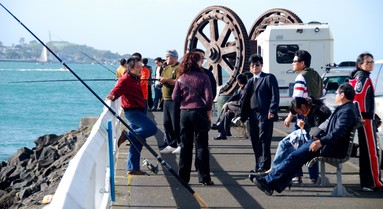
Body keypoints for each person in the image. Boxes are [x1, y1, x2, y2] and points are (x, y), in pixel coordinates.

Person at [251, 83, 359, 195]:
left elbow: (338, 132)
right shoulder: (345, 108)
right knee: (295, 156)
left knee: (294, 156)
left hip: (330, 147)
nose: (335, 95)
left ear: (342, 95)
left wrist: (320, 141)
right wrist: (316, 137)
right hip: (326, 143)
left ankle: (269, 181)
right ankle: (274, 183)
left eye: (337, 93)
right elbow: (330, 128)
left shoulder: (347, 111)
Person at [257, 97, 331, 182]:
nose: (300, 114)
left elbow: (318, 132)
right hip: (311, 140)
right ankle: (276, 171)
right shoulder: (308, 108)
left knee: (289, 149)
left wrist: (304, 126)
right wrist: (290, 117)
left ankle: (278, 173)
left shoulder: (317, 113)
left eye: (299, 112)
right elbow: (294, 110)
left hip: (317, 143)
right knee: (284, 144)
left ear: (303, 106)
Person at [106, 56, 157, 175]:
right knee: (152, 129)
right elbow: (117, 90)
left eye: (141, 67)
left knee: (138, 141)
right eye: (138, 67)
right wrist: (112, 96)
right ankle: (127, 135)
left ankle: (132, 168)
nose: (141, 69)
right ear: (131, 68)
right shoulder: (125, 79)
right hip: (133, 112)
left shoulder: (135, 78)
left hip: (139, 110)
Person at [172, 52, 214, 185]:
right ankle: (204, 178)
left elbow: (174, 97)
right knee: (201, 146)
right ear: (197, 62)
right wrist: (208, 112)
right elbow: (209, 98)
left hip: (184, 113)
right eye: (201, 59)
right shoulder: (204, 77)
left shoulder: (182, 77)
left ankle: (183, 177)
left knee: (185, 146)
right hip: (199, 112)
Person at [284, 50, 325, 183]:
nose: (292, 64)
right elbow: (323, 93)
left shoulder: (301, 77)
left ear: (302, 63)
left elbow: (297, 100)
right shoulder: (316, 75)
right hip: (316, 115)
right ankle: (314, 176)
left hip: (303, 116)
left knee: (296, 145)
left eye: (295, 61)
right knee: (312, 144)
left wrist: (290, 116)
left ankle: (297, 174)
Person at [240, 54, 280, 174]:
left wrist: (272, 110)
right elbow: (245, 99)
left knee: (264, 140)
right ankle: (258, 164)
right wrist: (242, 114)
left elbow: (275, 95)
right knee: (255, 140)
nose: (255, 67)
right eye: (252, 65)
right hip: (252, 114)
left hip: (265, 114)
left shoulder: (268, 78)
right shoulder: (250, 81)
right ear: (250, 67)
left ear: (261, 65)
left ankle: (265, 166)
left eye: (257, 64)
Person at [349, 52, 383, 191]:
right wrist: (365, 118)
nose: (370, 64)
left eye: (371, 61)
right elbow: (359, 99)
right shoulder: (363, 78)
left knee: (368, 151)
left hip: (367, 118)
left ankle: (370, 182)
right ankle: (373, 182)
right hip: (365, 120)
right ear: (360, 65)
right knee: (371, 152)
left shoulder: (360, 77)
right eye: (367, 62)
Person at [212, 73, 248, 140]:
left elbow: (241, 103)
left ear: (238, 82)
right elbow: (235, 96)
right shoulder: (242, 88)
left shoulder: (246, 90)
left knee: (227, 106)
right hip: (239, 110)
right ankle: (223, 134)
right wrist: (227, 102)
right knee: (227, 114)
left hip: (243, 111)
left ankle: (218, 123)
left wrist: (229, 103)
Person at [159, 49, 181, 154]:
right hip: (166, 99)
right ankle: (172, 144)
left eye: (168, 56)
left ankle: (181, 144)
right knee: (166, 123)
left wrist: (167, 80)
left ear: (174, 57)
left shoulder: (179, 68)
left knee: (176, 123)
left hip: (175, 100)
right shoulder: (166, 68)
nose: (166, 58)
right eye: (166, 56)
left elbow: (179, 81)